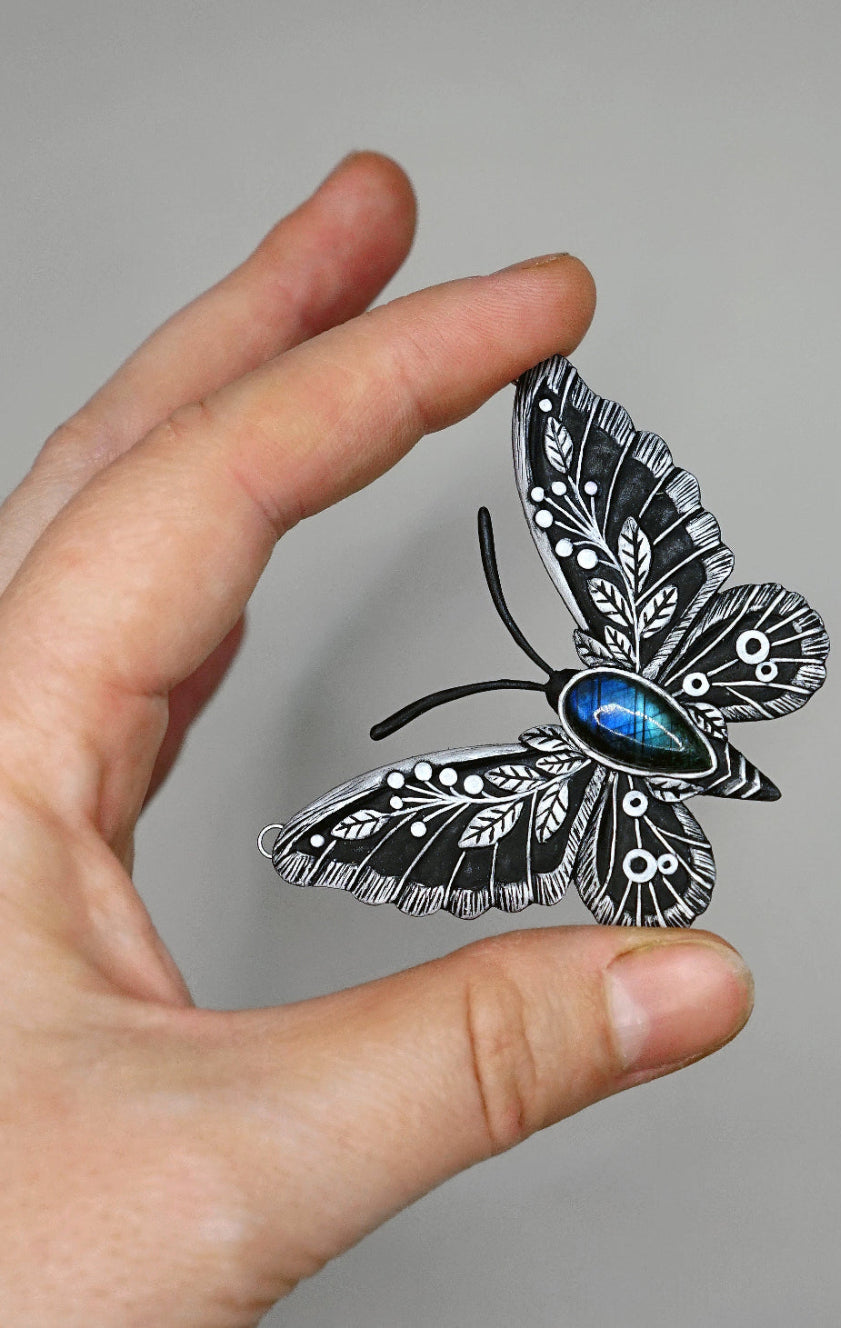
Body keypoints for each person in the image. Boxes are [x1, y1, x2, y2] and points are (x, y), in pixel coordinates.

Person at [0, 151, 753, 1325]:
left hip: (694, 690)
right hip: (701, 679)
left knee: (572, 522)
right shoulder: (595, 698)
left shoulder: (570, 712)